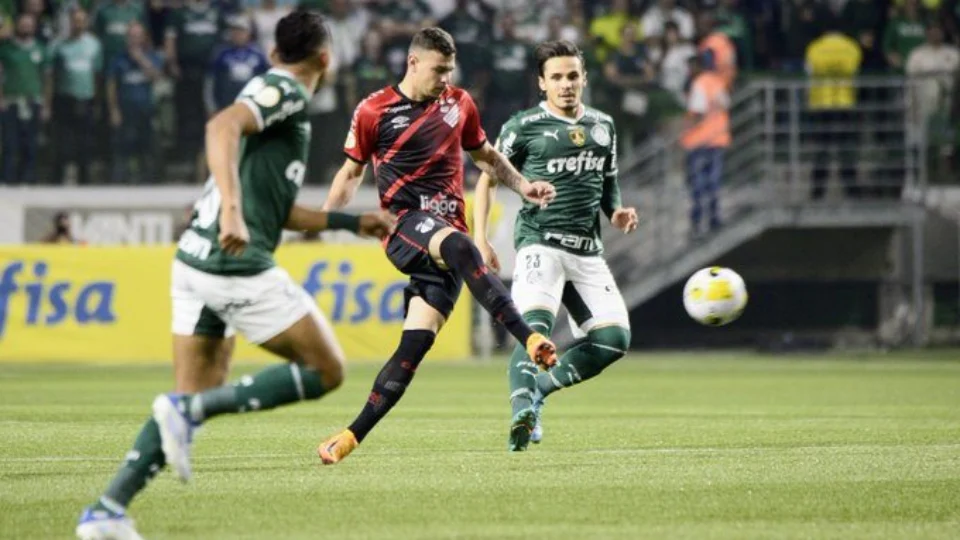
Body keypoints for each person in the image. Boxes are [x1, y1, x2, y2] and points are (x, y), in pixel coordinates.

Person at [76, 11, 396, 540]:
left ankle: (107, 509)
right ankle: (186, 415)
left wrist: (350, 221)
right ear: (326, 58)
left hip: (193, 263)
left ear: (273, 52)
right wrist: (230, 207)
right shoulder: (288, 92)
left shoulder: (269, 90)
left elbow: (278, 211)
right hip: (233, 264)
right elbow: (219, 125)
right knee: (327, 370)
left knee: (189, 399)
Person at [317, 27, 560, 465]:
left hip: (444, 240)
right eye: (438, 70)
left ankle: (349, 437)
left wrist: (523, 186)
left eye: (450, 70)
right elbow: (351, 174)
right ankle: (529, 338)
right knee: (465, 248)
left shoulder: (459, 103)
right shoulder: (374, 110)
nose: (446, 78)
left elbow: (485, 155)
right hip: (404, 225)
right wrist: (324, 218)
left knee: (413, 348)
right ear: (413, 63)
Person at [473, 40, 638, 452]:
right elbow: (486, 179)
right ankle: (521, 416)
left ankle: (538, 392)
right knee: (535, 334)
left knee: (614, 340)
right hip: (539, 245)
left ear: (583, 79)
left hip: (587, 251)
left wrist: (615, 211)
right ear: (542, 83)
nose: (566, 84)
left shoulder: (604, 126)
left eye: (572, 76)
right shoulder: (522, 126)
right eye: (557, 78)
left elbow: (608, 182)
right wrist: (480, 237)